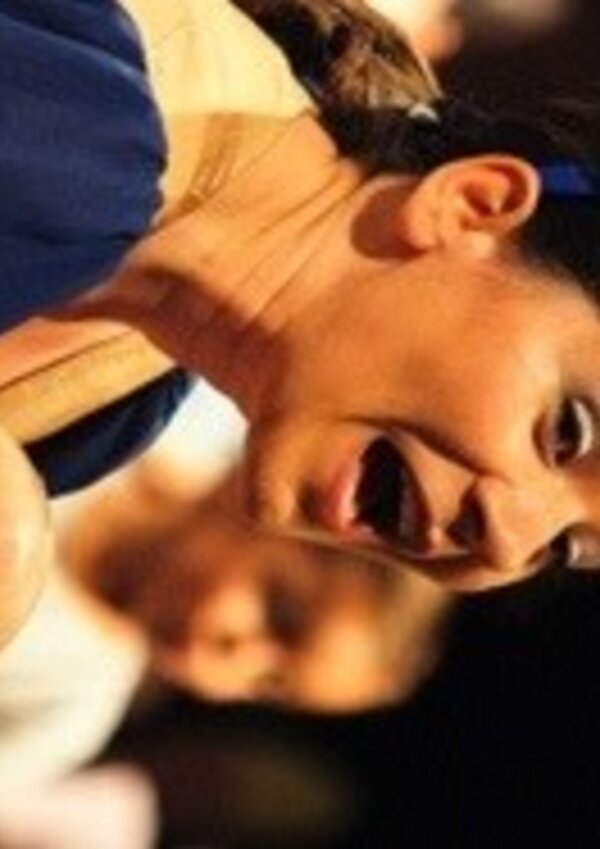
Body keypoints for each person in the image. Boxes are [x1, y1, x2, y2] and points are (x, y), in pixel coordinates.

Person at [0, 0, 599, 605]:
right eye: (566, 431)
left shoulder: (111, 414)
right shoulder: (84, 115)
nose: (508, 544)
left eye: (564, 548)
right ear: (473, 205)